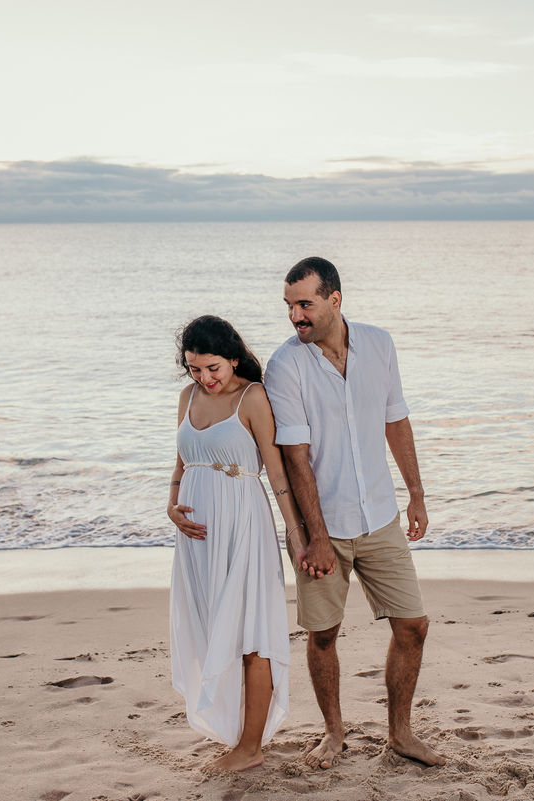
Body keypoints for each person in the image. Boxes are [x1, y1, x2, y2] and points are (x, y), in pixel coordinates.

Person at [264, 257, 447, 769]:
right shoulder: (285, 366)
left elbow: (397, 421)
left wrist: (416, 493)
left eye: (305, 304)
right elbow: (296, 459)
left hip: (381, 516)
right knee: (323, 633)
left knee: (413, 625)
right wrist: (315, 537)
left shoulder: (380, 345)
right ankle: (334, 732)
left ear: (334, 299)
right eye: (289, 306)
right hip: (323, 526)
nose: (295, 316)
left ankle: (401, 734)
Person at [167, 315, 304, 772]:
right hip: (197, 537)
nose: (204, 378)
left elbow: (278, 472)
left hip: (242, 525)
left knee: (251, 633)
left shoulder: (253, 397)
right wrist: (172, 504)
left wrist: (295, 533)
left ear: (232, 358)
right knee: (211, 627)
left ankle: (250, 747)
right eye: (194, 369)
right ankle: (236, 733)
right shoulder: (188, 398)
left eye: (212, 368)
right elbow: (183, 462)